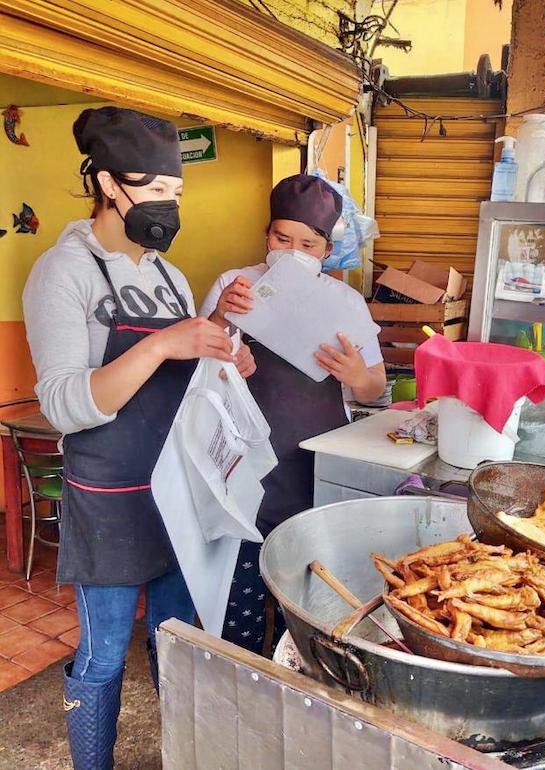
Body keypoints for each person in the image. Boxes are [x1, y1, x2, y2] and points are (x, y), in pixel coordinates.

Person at [22, 106, 254, 770]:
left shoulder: (166, 274)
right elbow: (66, 404)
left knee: (177, 640)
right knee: (101, 654)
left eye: (174, 193)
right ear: (106, 184)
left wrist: (217, 342)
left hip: (177, 494)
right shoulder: (62, 272)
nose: (167, 206)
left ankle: (182, 755)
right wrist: (161, 345)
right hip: (111, 499)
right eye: (153, 190)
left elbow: (177, 373)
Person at [200, 174, 386, 654]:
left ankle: (299, 665)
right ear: (267, 236)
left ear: (325, 251)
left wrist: (353, 372)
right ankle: (239, 666)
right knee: (240, 577)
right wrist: (223, 326)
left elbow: (375, 385)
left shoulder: (345, 301)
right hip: (246, 458)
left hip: (313, 463)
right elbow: (201, 366)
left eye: (307, 243)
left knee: (306, 580)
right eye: (283, 238)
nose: (292, 249)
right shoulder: (234, 285)